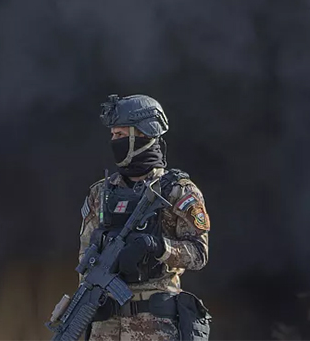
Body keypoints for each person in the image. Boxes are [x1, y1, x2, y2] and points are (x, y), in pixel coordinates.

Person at [77, 94, 212, 341]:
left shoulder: (177, 190)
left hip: (153, 327)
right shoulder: (101, 193)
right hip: (104, 324)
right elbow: (85, 255)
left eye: (120, 135)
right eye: (112, 135)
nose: (113, 141)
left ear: (143, 135)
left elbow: (199, 254)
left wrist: (157, 247)